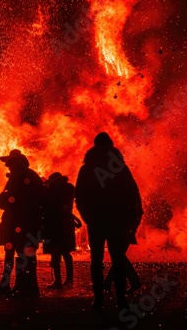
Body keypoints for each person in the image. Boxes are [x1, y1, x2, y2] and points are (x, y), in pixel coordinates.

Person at [75, 132, 143, 310]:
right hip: (116, 221)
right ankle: (121, 300)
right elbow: (132, 193)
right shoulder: (119, 167)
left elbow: (80, 196)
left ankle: (99, 299)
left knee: (96, 261)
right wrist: (130, 218)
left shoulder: (87, 168)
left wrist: (87, 217)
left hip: (97, 221)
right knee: (118, 259)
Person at [0, 149, 46, 298]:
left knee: (19, 253)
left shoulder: (20, 176)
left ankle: (21, 287)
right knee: (24, 254)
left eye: (10, 164)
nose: (8, 168)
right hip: (28, 223)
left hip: (18, 223)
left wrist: (2, 201)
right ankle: (26, 287)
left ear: (16, 164)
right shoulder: (29, 175)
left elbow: (10, 198)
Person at [42, 172, 82, 289]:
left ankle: (57, 281)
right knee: (66, 252)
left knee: (55, 253)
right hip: (66, 224)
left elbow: (47, 205)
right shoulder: (69, 188)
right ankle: (69, 280)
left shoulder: (52, 189)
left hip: (53, 224)